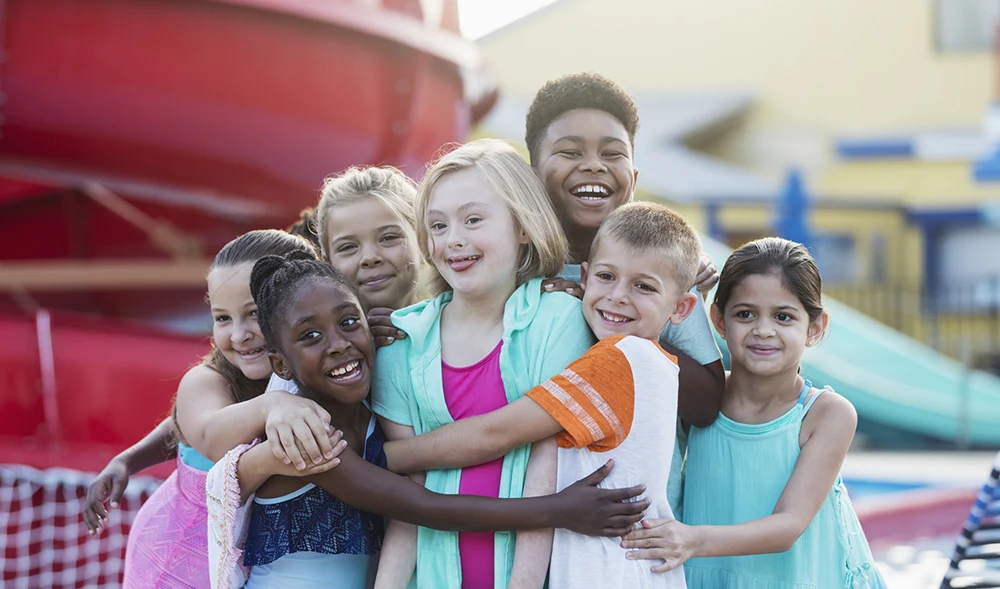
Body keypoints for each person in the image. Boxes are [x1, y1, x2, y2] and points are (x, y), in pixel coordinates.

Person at [206, 253, 650, 589]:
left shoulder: (376, 410)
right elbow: (424, 507)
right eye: (311, 336)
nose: (339, 344)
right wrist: (558, 510)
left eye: (348, 322)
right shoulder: (305, 439)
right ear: (281, 365)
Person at [382, 202, 702, 588]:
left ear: (682, 308)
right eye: (606, 276)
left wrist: (382, 457)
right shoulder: (662, 366)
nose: (618, 296)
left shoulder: (619, 359)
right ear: (583, 277)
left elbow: (496, 434)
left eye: (644, 286)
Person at [371, 138, 595, 588]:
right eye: (437, 225)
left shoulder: (559, 320)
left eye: (473, 220)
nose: (453, 240)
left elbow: (545, 459)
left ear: (523, 227)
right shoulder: (402, 342)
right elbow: (409, 498)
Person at [621, 237, 886, 589]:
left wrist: (692, 539)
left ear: (815, 327)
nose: (763, 330)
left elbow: (788, 525)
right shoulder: (696, 400)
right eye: (745, 314)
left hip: (800, 579)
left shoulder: (825, 414)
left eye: (783, 316)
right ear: (718, 320)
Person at [86, 230, 338, 589]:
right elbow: (206, 435)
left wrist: (129, 460)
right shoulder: (205, 380)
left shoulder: (299, 374)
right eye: (222, 318)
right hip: (177, 559)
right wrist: (272, 405)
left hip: (239, 559)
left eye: (253, 314)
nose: (238, 335)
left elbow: (176, 430)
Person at [524, 72, 724, 518]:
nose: (593, 165)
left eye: (611, 153)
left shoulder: (666, 275)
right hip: (530, 516)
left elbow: (708, 402)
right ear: (534, 175)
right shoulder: (518, 272)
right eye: (571, 151)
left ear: (632, 178)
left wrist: (619, 330)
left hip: (637, 526)